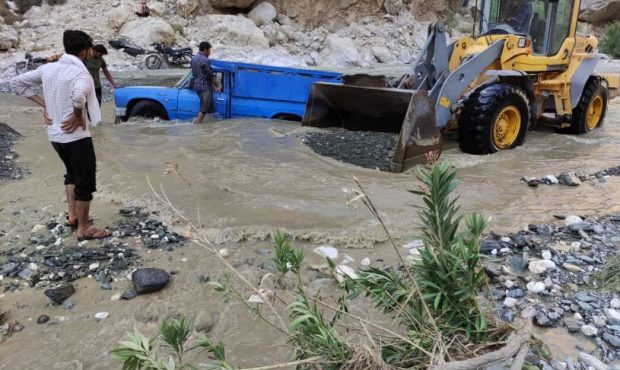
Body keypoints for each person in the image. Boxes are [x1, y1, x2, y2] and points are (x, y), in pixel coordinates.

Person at [10, 30, 111, 241]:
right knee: (85, 181)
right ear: (84, 51)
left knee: (71, 174)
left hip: (55, 136)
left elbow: (16, 82)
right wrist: (77, 114)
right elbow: (78, 96)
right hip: (76, 136)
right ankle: (84, 229)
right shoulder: (80, 73)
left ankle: (73, 216)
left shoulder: (47, 69)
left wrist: (45, 105)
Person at [191, 41, 215, 123]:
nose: (210, 53)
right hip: (205, 87)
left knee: (210, 108)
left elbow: (194, 73)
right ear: (205, 50)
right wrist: (217, 85)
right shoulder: (205, 60)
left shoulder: (193, 58)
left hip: (197, 86)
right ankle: (198, 125)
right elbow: (210, 74)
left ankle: (211, 126)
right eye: (209, 50)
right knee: (204, 109)